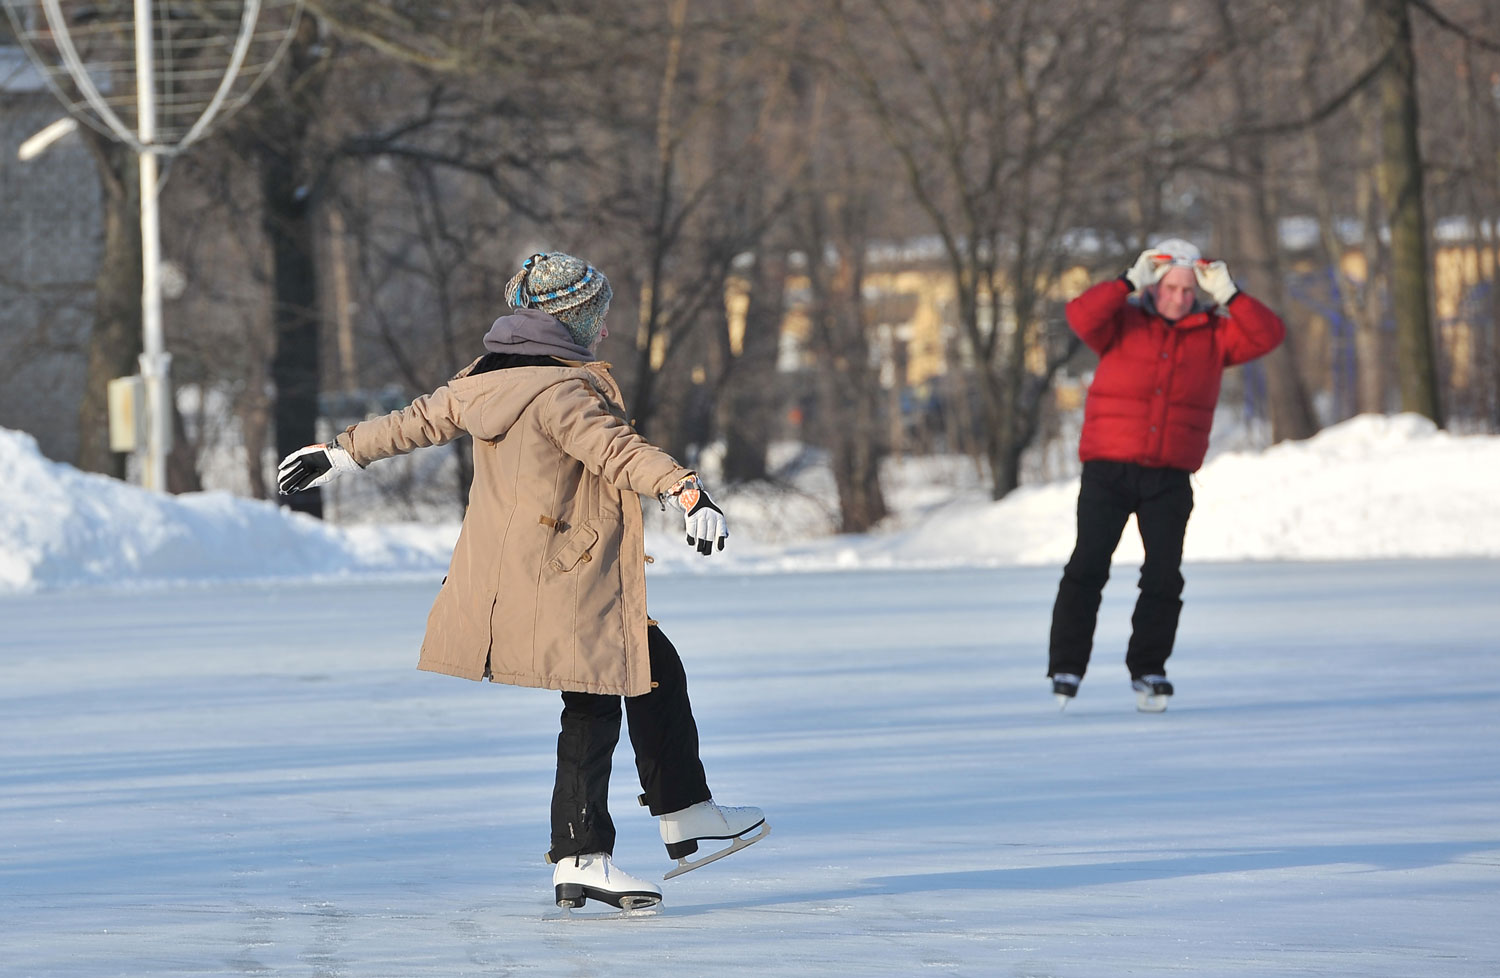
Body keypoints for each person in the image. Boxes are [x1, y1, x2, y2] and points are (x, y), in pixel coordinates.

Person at [277, 252, 767, 912]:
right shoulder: (564, 392)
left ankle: (683, 812)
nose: (603, 327)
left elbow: (415, 419)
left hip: (523, 574)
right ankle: (584, 854)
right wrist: (686, 490)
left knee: (655, 665)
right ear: (572, 320)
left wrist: (337, 452)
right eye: (597, 315)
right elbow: (618, 452)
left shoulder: (482, 382)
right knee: (595, 702)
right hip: (565, 571)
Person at [1048, 239, 1285, 712]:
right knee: (1087, 566)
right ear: (1154, 288)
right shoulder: (1121, 321)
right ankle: (1067, 665)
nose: (1178, 297)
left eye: (1188, 289)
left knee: (1163, 575)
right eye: (1170, 287)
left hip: (1169, 476)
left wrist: (1232, 296)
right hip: (1108, 469)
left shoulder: (1214, 335)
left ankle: (1149, 668)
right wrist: (1125, 283)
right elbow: (1080, 316)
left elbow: (1268, 335)